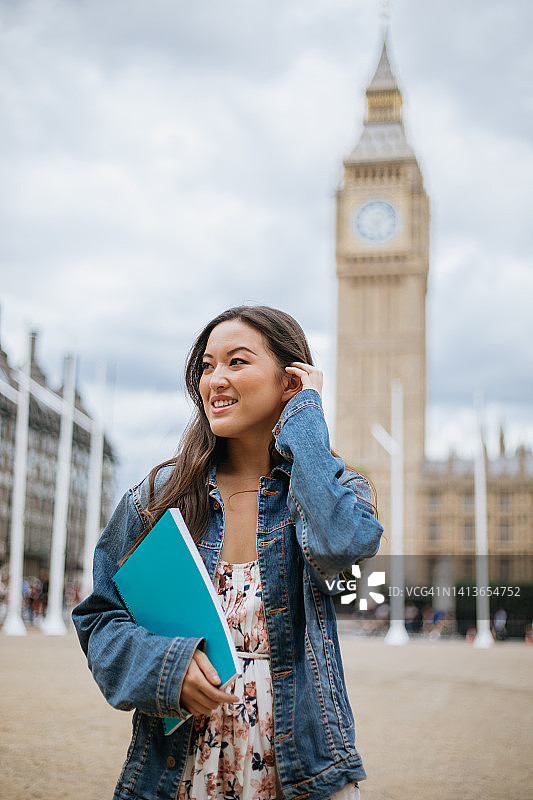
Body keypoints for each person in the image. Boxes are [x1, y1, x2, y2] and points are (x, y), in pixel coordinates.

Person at [72, 305, 384, 800]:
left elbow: (342, 544)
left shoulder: (336, 492)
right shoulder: (158, 496)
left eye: (237, 362)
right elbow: (100, 620)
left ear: (290, 380)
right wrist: (165, 668)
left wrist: (304, 418)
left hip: (302, 771)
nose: (215, 378)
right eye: (206, 366)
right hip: (178, 771)